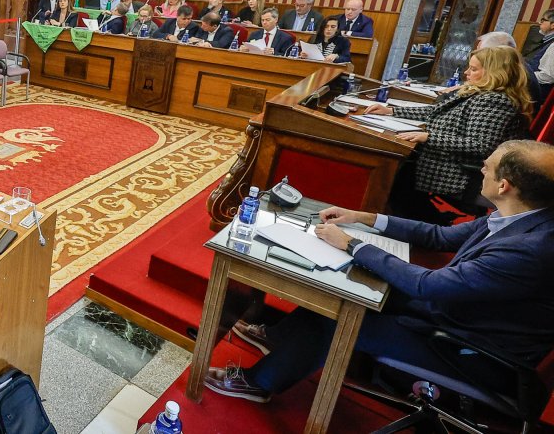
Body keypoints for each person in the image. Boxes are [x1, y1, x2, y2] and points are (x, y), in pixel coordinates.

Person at [205, 140, 554, 405]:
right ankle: (281, 340)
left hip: (471, 350)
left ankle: (259, 384)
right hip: (455, 313)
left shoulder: (529, 249)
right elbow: (439, 235)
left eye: (488, 168)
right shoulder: (519, 216)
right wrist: (364, 218)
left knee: (342, 315)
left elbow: (426, 285)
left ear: (505, 186)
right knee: (338, 286)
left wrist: (354, 245)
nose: (481, 170)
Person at [364, 46, 531, 219]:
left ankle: (406, 226)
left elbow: (481, 145)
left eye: (473, 69)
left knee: (389, 176)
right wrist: (390, 111)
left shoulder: (494, 101)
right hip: (438, 159)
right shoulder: (480, 93)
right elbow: (435, 111)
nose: (466, 72)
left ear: (495, 73)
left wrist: (429, 137)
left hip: (456, 171)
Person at [476, 31, 542, 106]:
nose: (477, 56)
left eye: (481, 53)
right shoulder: (517, 64)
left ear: (497, 52)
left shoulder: (510, 72)